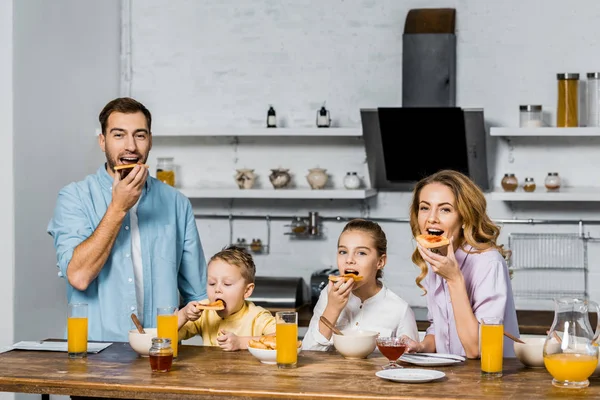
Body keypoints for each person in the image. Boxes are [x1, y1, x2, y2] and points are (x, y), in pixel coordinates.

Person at [48, 97, 207, 342]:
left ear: (150, 141)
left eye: (139, 135)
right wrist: (118, 208)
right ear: (103, 141)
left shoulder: (177, 203)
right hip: (93, 356)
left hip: (159, 351)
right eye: (119, 135)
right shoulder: (74, 197)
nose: (130, 146)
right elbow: (78, 276)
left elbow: (198, 296)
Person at [403, 169, 519, 358]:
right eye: (424, 207)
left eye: (445, 209)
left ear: (465, 217)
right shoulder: (438, 256)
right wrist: (421, 346)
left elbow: (477, 349)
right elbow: (440, 328)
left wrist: (454, 278)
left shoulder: (489, 263)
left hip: (491, 380)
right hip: (452, 379)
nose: (431, 218)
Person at [302, 219, 419, 351]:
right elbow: (308, 354)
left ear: (380, 262)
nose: (349, 260)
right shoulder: (328, 295)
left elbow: (409, 363)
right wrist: (332, 309)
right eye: (343, 252)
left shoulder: (400, 310)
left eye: (361, 253)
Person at [177, 245, 276, 351]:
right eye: (212, 283)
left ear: (247, 291)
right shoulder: (204, 314)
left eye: (227, 284)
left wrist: (241, 342)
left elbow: (287, 338)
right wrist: (183, 315)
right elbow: (162, 337)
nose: (217, 289)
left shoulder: (257, 317)